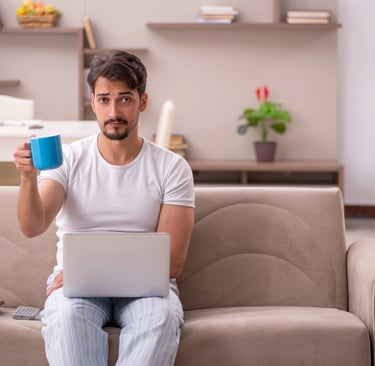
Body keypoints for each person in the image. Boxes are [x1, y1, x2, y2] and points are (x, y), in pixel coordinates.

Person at [13, 50, 195, 366]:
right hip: (76, 287)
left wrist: (91, 270)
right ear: (93, 102)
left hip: (146, 289)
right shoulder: (67, 159)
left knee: (161, 317)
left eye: (124, 99)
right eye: (104, 99)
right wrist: (28, 179)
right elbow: (33, 225)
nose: (114, 111)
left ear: (143, 101)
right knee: (67, 317)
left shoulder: (172, 168)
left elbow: (172, 263)